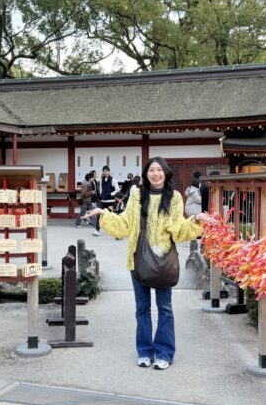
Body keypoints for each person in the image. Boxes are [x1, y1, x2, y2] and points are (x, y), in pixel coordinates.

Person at [83, 157, 214, 370]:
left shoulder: (174, 197)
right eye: (151, 170)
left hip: (163, 260)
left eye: (159, 170)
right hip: (138, 258)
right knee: (142, 308)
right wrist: (103, 214)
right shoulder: (136, 194)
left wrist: (197, 218)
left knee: (165, 308)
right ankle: (144, 351)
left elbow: (179, 229)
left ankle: (164, 352)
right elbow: (125, 225)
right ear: (146, 174)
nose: (155, 174)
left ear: (166, 173)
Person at [95, 166, 119, 236]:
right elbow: (101, 189)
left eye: (106, 171)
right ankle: (97, 230)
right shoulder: (102, 179)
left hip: (111, 201)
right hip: (103, 201)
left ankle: (116, 230)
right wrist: (101, 195)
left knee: (111, 216)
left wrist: (110, 194)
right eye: (104, 171)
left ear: (109, 171)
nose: (105, 172)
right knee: (99, 215)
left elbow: (117, 189)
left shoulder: (113, 179)